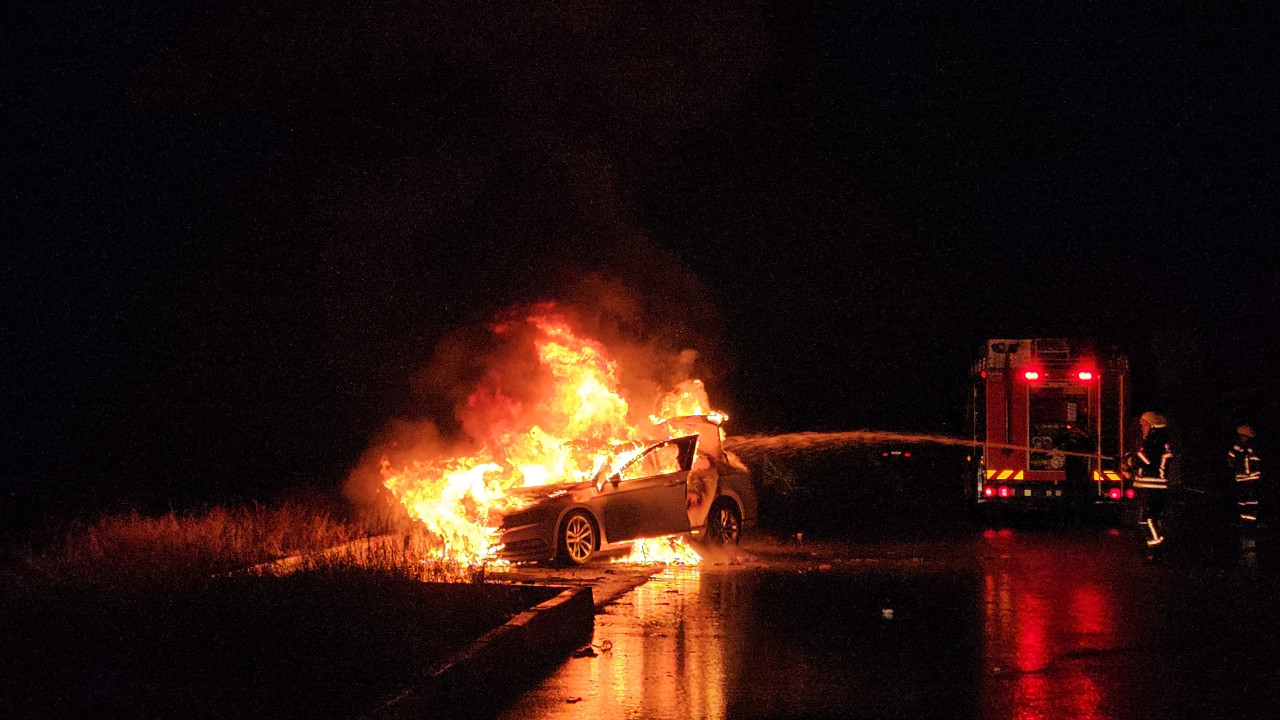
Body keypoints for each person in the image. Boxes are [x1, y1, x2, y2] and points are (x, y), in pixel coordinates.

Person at [1131, 411, 1173, 560]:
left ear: (1152, 425)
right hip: (1149, 485)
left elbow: (1148, 460)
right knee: (1144, 518)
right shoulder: (1155, 440)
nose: (1141, 427)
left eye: (1144, 424)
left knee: (1149, 518)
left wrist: (1132, 460)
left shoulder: (1155, 441)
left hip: (1153, 485)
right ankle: (1152, 545)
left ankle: (1155, 549)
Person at [1229, 424, 1262, 561]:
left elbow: (1254, 463)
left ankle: (1250, 528)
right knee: (1243, 503)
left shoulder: (1251, 449)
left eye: (1243, 436)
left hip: (1250, 480)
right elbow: (1231, 458)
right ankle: (1246, 526)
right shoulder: (1238, 448)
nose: (1241, 438)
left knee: (1250, 503)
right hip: (1242, 480)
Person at [1055, 422, 1095, 524]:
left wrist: (1084, 435)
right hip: (1072, 467)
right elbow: (1056, 443)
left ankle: (1077, 515)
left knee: (1078, 491)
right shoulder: (1067, 435)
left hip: (1080, 467)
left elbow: (1091, 447)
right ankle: (1070, 515)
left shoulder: (1083, 437)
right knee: (1071, 491)